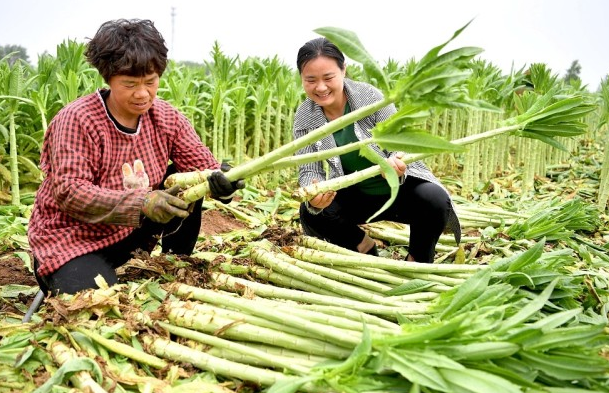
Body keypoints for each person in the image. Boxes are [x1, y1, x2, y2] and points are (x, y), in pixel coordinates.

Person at [27, 19, 243, 295]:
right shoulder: (77, 119)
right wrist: (143, 201)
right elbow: (71, 193)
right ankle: (71, 275)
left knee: (191, 180)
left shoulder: (166, 118)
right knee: (95, 300)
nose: (143, 94)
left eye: (150, 82)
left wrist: (224, 185)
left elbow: (204, 167)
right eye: (130, 84)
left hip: (129, 234)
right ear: (108, 79)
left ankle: (175, 265)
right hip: (71, 241)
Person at [293, 37, 461, 263]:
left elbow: (400, 142)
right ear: (302, 79)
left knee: (435, 198)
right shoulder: (305, 116)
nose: (320, 87)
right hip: (356, 197)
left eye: (328, 77)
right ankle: (363, 245)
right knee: (311, 212)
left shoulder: (370, 98)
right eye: (310, 80)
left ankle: (417, 259)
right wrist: (313, 191)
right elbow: (308, 169)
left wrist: (396, 160)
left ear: (343, 70)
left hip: (399, 192)